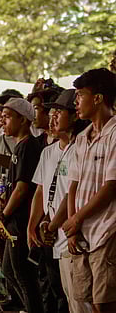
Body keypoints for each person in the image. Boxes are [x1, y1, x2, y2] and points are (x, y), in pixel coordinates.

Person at [28, 89, 91, 313]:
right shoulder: (48, 152)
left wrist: (53, 225)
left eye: (58, 113)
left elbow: (70, 193)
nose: (52, 118)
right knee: (58, 292)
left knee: (78, 298)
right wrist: (33, 225)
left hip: (69, 233)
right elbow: (41, 190)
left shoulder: (80, 149)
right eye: (51, 113)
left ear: (74, 116)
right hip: (51, 234)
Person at [62, 68, 116, 313]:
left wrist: (76, 219)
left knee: (105, 302)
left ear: (98, 98)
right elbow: (73, 184)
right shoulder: (82, 137)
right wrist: (73, 226)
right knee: (89, 300)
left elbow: (111, 186)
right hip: (82, 233)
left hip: (106, 229)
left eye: (80, 95)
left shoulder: (113, 134)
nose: (76, 102)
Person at [0, 98, 45, 313]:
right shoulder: (19, 146)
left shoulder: (28, 147)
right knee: (9, 270)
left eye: (7, 117)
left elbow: (22, 188)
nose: (2, 121)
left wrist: (4, 215)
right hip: (14, 219)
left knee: (23, 274)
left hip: (21, 218)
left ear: (23, 120)